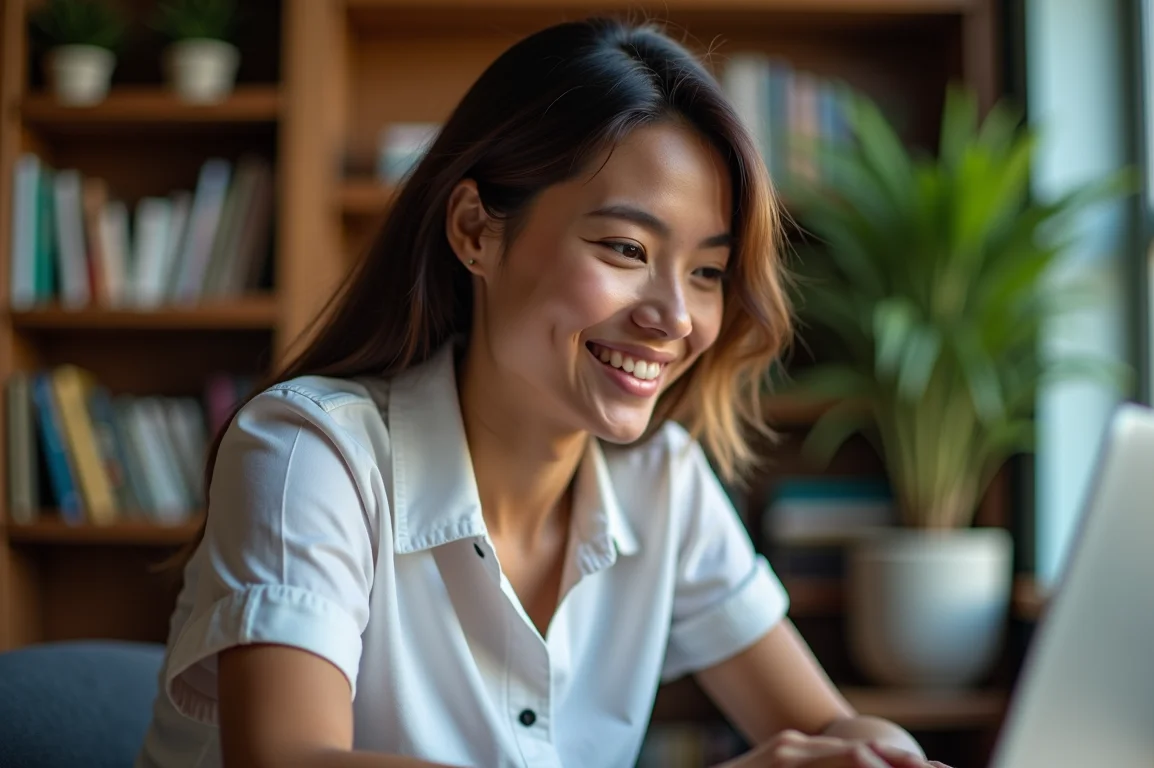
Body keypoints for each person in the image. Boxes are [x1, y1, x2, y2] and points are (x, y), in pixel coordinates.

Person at [135, 16, 954, 768]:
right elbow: (287, 760)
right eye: (627, 248)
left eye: (706, 272)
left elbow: (826, 724)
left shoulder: (662, 482)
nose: (676, 318)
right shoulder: (310, 454)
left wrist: (881, 753)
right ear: (475, 231)